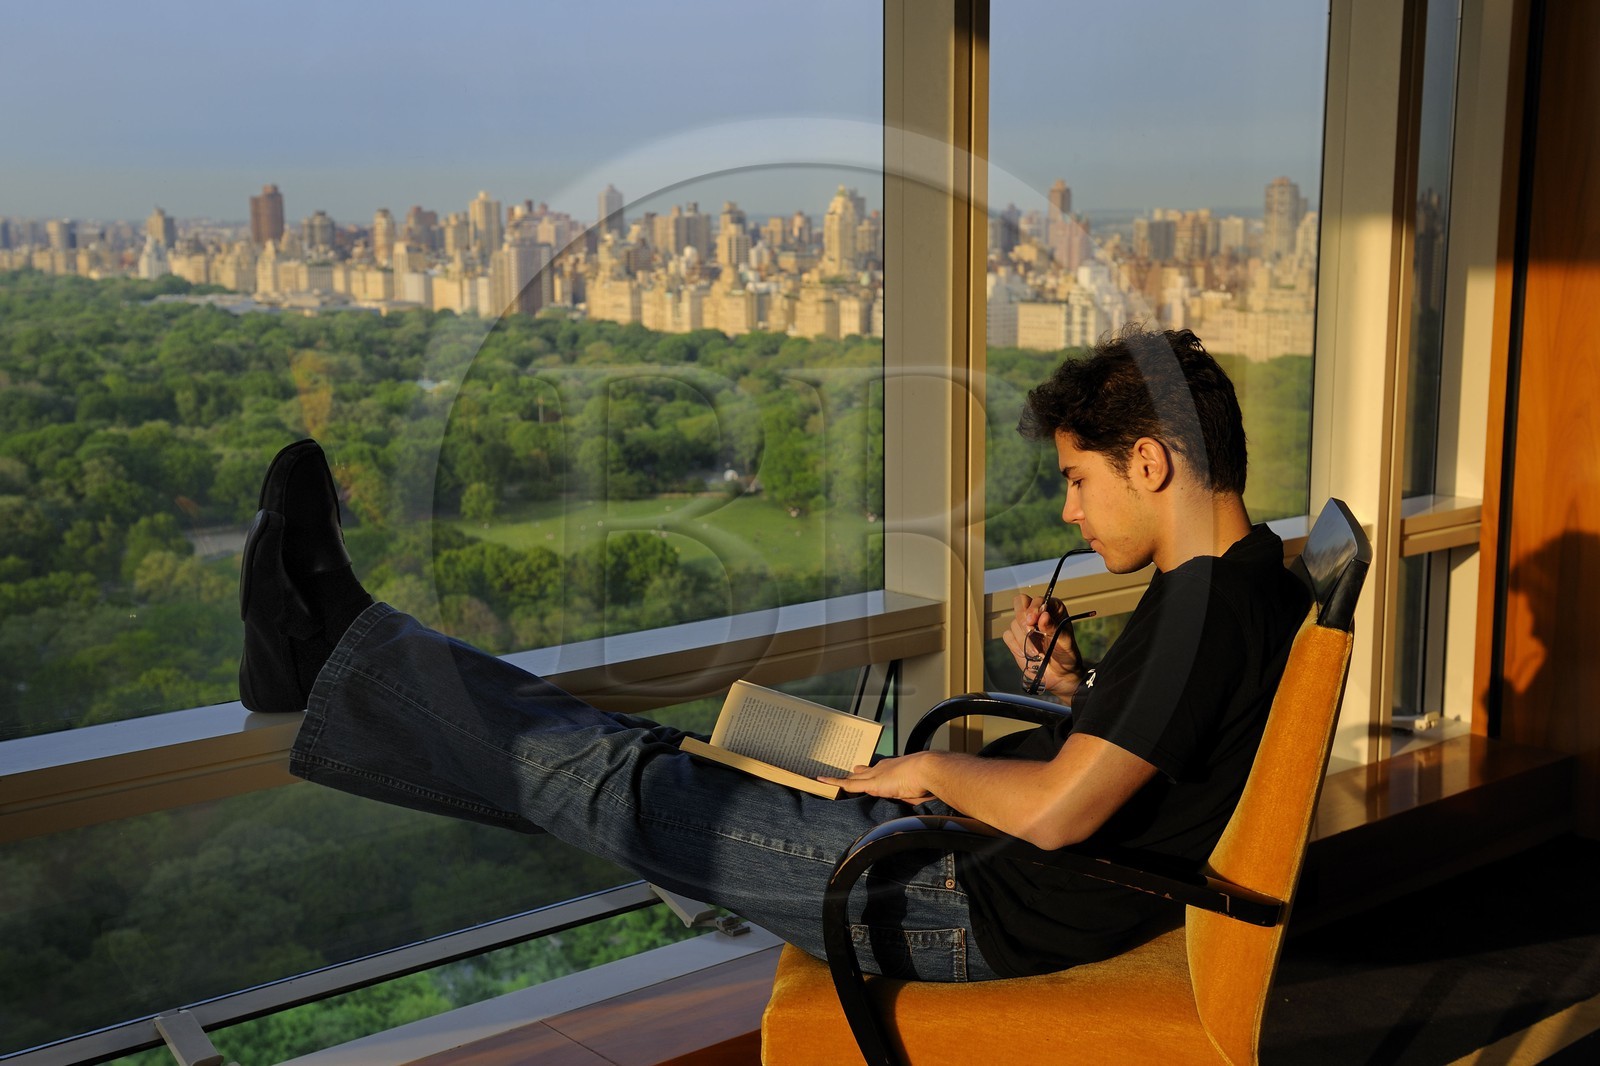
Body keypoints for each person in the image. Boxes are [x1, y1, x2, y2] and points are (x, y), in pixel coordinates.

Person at [238, 325, 1309, 982]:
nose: (1071, 510)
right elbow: (1154, 768)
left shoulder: (1205, 609)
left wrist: (925, 771)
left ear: (1152, 461)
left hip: (953, 905)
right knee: (640, 768)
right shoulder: (1248, 579)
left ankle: (334, 638)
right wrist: (1074, 689)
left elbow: (1069, 810)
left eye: (1079, 478)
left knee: (623, 776)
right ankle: (339, 655)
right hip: (976, 872)